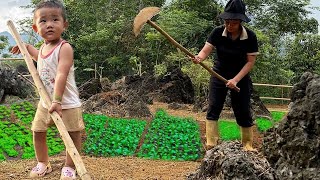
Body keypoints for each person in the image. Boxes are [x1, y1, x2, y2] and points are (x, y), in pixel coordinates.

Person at [11, 0, 84, 179]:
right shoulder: (44, 48)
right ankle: (43, 162)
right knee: (38, 131)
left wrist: (57, 100)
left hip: (66, 103)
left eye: (55, 19)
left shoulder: (64, 48)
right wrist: (27, 48)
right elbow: (40, 58)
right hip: (45, 103)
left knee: (73, 135)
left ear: (64, 25)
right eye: (43, 21)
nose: (49, 24)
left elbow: (61, 74)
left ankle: (69, 167)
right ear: (36, 28)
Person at [192, 0, 259, 151]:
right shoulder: (217, 32)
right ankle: (211, 143)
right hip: (218, 73)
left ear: (241, 21)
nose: (229, 26)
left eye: (233, 23)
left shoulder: (250, 37)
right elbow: (205, 50)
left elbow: (250, 62)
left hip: (240, 77)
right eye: (227, 22)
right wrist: (199, 58)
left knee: (242, 109)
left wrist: (235, 80)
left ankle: (247, 144)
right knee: (214, 105)